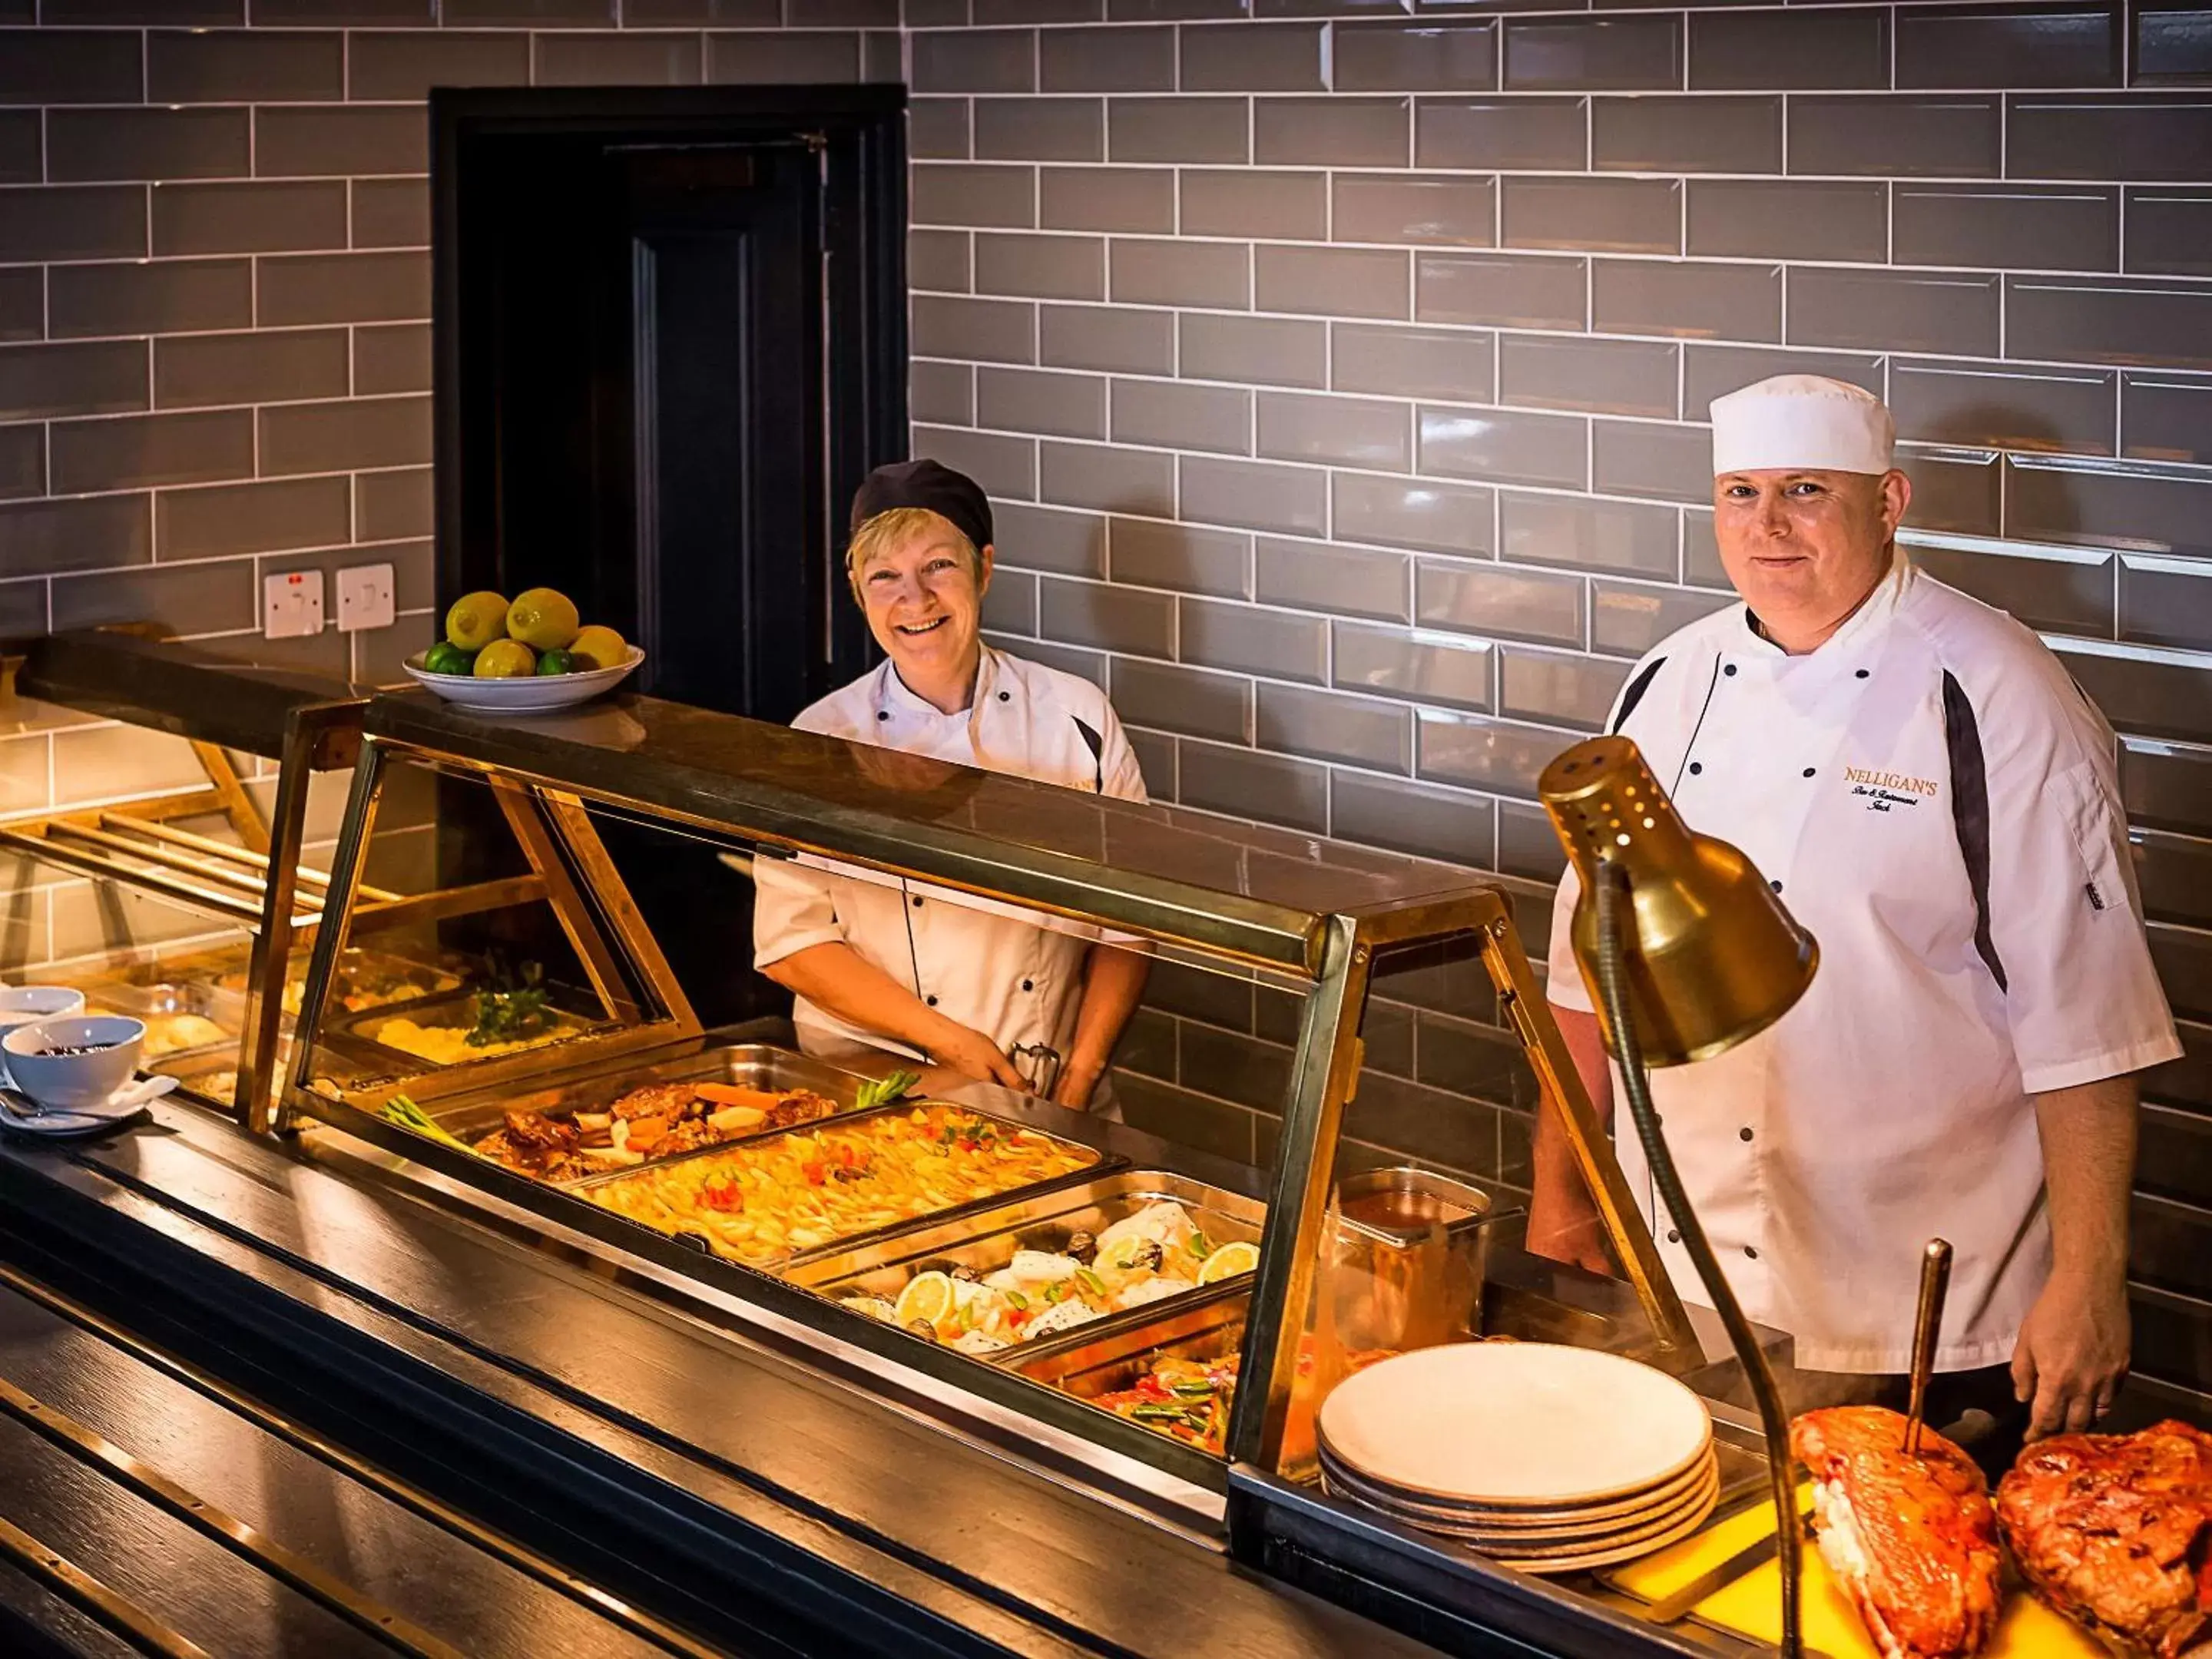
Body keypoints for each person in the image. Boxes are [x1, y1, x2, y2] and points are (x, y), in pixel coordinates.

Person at [1525, 376, 2178, 1460]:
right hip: (1684, 1268)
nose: (1767, 525)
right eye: (1740, 493)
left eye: (1806, 491)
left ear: (1890, 503)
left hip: (1917, 1296)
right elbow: (1584, 974)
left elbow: (2090, 1022)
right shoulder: (1667, 681)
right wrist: (1561, 1189)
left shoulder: (1997, 690)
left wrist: (2090, 1276)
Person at [751, 459, 1150, 1111]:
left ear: (984, 569)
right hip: (877, 1085)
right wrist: (951, 1045)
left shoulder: (1076, 715)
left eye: (939, 566)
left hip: (1047, 1089)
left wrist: (1077, 1084)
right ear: (857, 589)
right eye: (885, 577)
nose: (916, 600)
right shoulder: (818, 740)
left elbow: (1129, 922)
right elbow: (792, 946)